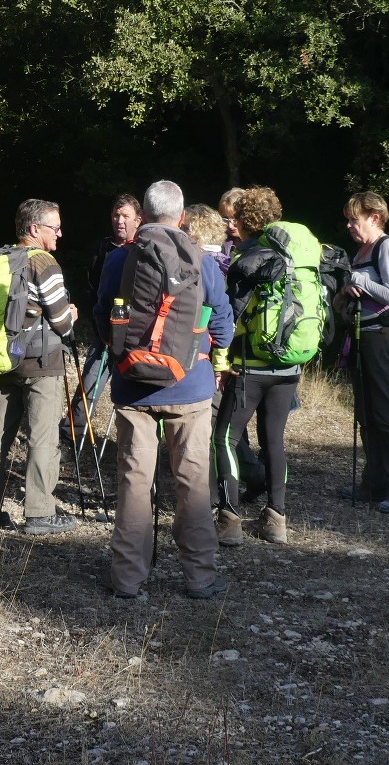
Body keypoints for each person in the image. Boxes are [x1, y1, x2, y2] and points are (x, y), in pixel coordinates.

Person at [95, 180, 233, 600]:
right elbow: (222, 324)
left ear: (145, 214)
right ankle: (200, 578)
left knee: (135, 482)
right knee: (192, 483)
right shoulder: (201, 260)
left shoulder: (119, 259)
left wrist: (122, 356)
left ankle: (127, 579)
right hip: (189, 387)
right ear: (183, 217)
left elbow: (104, 316)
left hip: (132, 388)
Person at [212, 187, 310, 545]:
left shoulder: (248, 257)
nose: (230, 224)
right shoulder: (295, 254)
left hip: (249, 367)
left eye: (234, 217)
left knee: (224, 437)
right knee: (274, 439)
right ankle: (276, 519)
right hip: (288, 366)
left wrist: (222, 362)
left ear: (244, 219)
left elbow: (230, 317)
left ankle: (230, 520)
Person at [0, 199, 79, 535]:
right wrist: (73, 316)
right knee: (43, 438)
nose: (60, 234)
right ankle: (39, 514)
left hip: (5, 360)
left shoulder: (2, 258)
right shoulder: (44, 263)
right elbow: (62, 322)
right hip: (41, 363)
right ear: (34, 230)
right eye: (55, 227)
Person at [335, 191, 389, 513]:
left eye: (353, 219)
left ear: (374, 217)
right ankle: (375, 483)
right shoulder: (362, 251)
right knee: (366, 415)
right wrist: (346, 289)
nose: (348, 225)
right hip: (362, 337)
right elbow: (358, 290)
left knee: (387, 415)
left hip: (384, 339)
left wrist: (358, 280)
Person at [182, 204, 267, 508]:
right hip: (230, 356)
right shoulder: (225, 260)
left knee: (212, 428)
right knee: (223, 426)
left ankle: (214, 497)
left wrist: (219, 361)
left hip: (214, 359)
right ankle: (250, 476)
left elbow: (219, 317)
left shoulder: (207, 264)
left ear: (195, 230)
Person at [61, 194, 142, 448]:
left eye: (125, 216)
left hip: (137, 333)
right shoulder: (104, 246)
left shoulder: (145, 248)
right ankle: (70, 434)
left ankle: (135, 442)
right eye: (115, 216)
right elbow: (92, 285)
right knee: (90, 381)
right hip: (105, 328)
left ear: (138, 220)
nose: (119, 221)